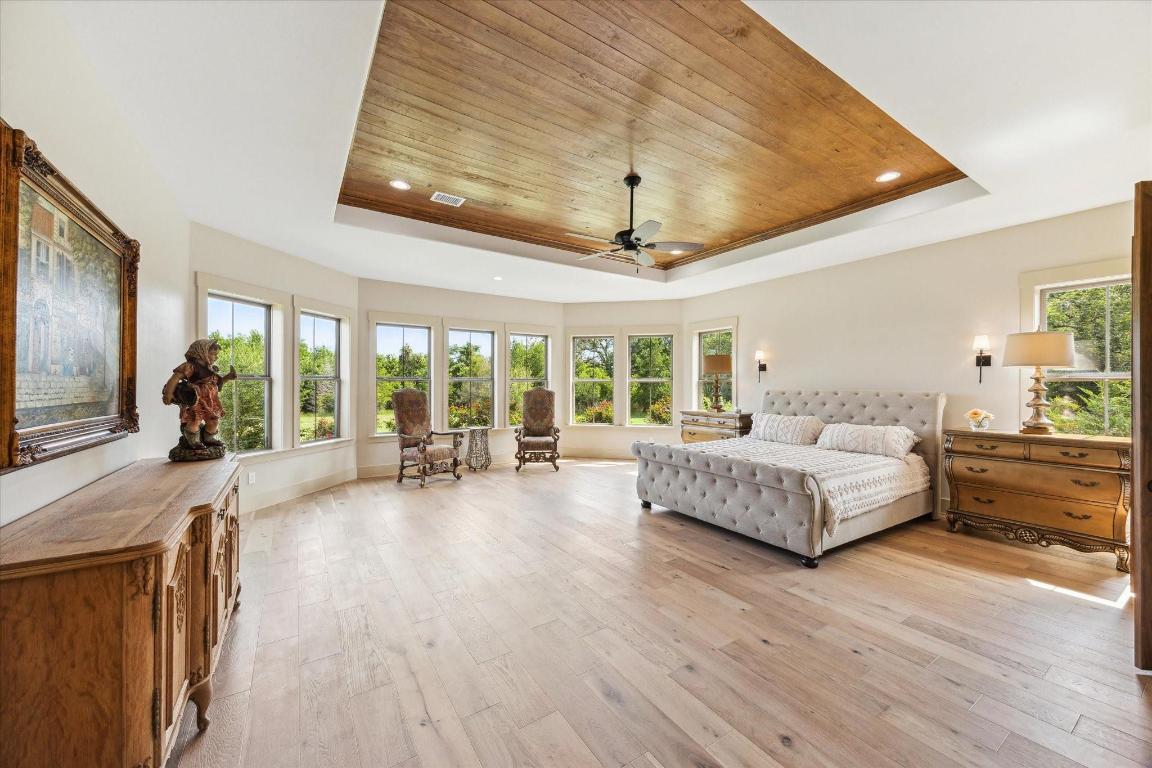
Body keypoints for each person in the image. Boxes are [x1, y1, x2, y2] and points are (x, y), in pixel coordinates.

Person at [162, 339, 236, 450]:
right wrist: (168, 393)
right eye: (213, 354)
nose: (216, 357)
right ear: (202, 352)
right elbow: (175, 378)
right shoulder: (190, 366)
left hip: (210, 400)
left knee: (214, 419)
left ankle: (208, 438)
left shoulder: (210, 369)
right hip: (196, 399)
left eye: (217, 355)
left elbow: (216, 383)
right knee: (194, 419)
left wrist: (227, 378)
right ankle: (193, 441)